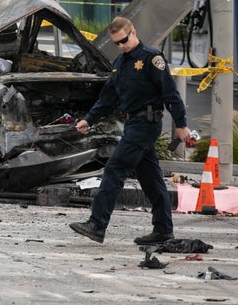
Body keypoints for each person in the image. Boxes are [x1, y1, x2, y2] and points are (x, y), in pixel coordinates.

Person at [69, 17, 190, 245]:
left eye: (124, 40)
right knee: (151, 180)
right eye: (117, 43)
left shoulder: (151, 59)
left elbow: (170, 93)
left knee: (115, 169)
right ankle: (163, 230)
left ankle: (97, 224)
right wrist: (89, 119)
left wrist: (181, 124)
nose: (121, 45)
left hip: (147, 123)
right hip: (134, 123)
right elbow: (108, 97)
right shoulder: (121, 63)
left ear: (133, 32)